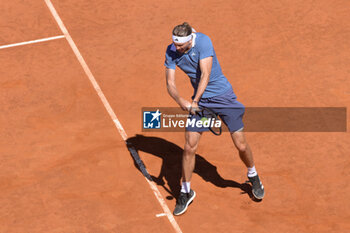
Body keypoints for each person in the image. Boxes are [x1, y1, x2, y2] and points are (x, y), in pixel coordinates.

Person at [164, 22, 265, 216]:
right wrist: (180, 100)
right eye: (174, 45)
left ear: (189, 40)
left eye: (180, 46)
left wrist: (194, 100)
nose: (175, 49)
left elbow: (206, 75)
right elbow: (170, 82)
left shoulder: (203, 42)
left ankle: (252, 175)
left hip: (223, 98)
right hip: (201, 105)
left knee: (241, 145)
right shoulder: (171, 50)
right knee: (189, 147)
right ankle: (186, 192)